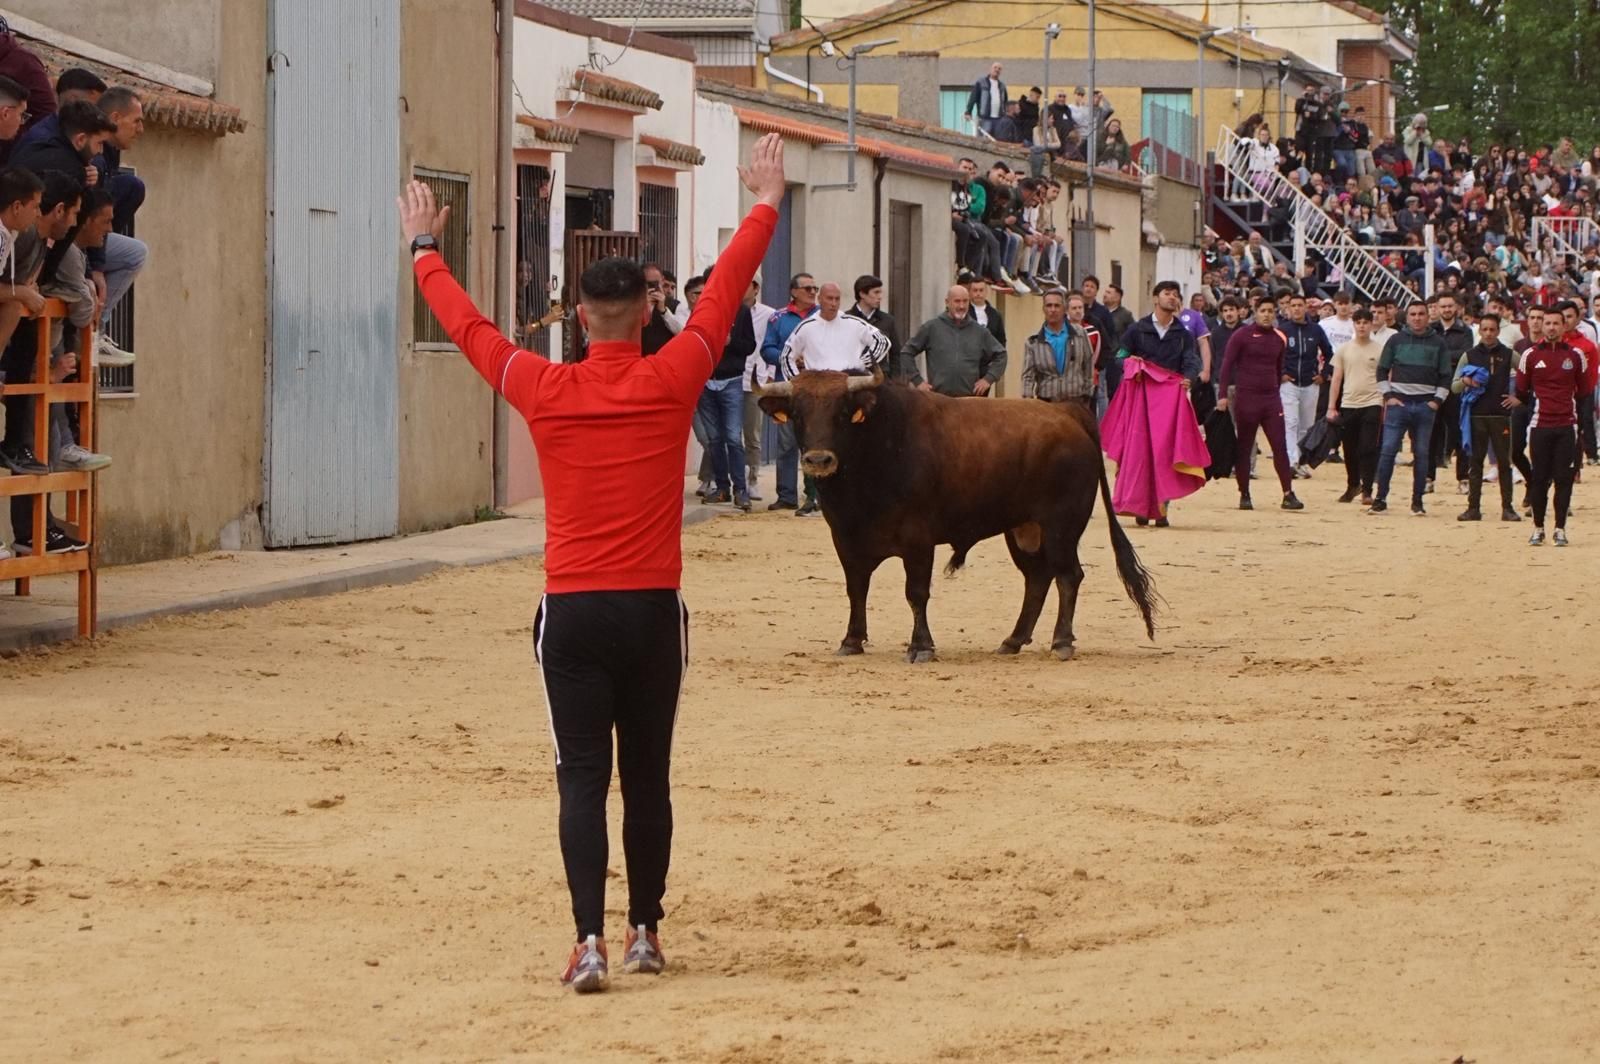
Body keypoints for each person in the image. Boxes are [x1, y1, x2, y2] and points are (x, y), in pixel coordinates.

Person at [399, 132, 786, 994]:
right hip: (652, 609)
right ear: (646, 314)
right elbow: (722, 299)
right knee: (648, 778)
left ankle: (588, 942)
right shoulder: (674, 374)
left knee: (582, 778)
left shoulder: (544, 385)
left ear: (579, 317)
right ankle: (645, 929)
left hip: (572, 612)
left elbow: (467, 329)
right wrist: (762, 201)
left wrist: (425, 248)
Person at [1115, 280, 1202, 526]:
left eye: (1176, 295)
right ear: (1156, 298)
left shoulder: (1183, 335)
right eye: (1167, 293)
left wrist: (1188, 378)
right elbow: (1119, 356)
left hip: (1168, 401)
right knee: (1140, 450)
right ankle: (1143, 505)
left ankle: (1161, 505)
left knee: (1164, 452)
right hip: (1141, 399)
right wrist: (1130, 364)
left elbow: (1192, 361)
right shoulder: (1137, 329)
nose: (1172, 298)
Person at [1217, 295, 1304, 511]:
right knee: (1245, 446)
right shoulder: (1241, 336)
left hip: (1271, 398)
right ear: (1255, 313)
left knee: (1279, 446)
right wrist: (1222, 396)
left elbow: (1278, 367)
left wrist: (1275, 390)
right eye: (1263, 311)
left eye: (1270, 311)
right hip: (1246, 397)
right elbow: (1227, 366)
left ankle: (1288, 493)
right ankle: (1244, 493)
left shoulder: (1278, 338)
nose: (1266, 315)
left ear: (1275, 313)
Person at [1371, 300, 1453, 516]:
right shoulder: (1395, 340)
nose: (1417, 318)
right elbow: (1381, 370)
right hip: (1399, 404)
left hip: (1425, 406)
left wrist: (1436, 401)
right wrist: (1388, 396)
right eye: (1413, 314)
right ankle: (1380, 498)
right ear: (1406, 317)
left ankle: (1417, 501)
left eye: (1421, 314)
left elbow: (1446, 376)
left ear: (1428, 316)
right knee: (1388, 450)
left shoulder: (1438, 343)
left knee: (1422, 453)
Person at [1517, 311, 1585, 545]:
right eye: (1548, 323)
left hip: (1567, 425)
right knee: (1539, 478)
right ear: (1541, 326)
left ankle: (1560, 528)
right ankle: (1538, 528)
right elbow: (1522, 390)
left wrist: (1582, 427)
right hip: (1540, 425)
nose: (1552, 327)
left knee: (1563, 478)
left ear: (1564, 326)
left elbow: (1584, 391)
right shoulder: (1531, 355)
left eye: (1556, 323)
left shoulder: (1576, 356)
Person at [1451, 312, 1520, 522]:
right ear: (1479, 331)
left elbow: (1528, 376)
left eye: (1492, 329)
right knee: (1476, 462)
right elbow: (1454, 387)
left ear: (1499, 331)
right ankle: (1473, 508)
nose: (1488, 333)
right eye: (1485, 329)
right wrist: (1466, 382)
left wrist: (1518, 397)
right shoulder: (1469, 355)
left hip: (1501, 415)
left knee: (1504, 464)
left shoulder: (1509, 354)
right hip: (1477, 415)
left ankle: (1507, 508)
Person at [760, 273, 819, 512]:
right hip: (788, 389)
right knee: (786, 444)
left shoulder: (823, 318)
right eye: (807, 289)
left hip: (816, 391)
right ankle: (786, 495)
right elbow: (767, 349)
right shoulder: (778, 318)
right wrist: (791, 359)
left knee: (814, 443)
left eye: (814, 288)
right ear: (793, 292)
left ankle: (814, 496)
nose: (812, 292)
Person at [697, 267, 755, 512]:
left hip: (731, 378)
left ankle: (741, 490)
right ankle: (721, 487)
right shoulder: (701, 312)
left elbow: (750, 345)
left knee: (733, 437)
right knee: (714, 439)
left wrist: (731, 342)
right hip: (706, 379)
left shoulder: (740, 311)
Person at [901, 284, 1006, 398]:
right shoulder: (931, 328)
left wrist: (988, 379)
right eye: (957, 301)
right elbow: (906, 352)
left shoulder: (979, 331)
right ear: (947, 302)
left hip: (968, 401)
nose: (961, 306)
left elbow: (1001, 354)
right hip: (938, 400)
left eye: (965, 301)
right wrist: (918, 381)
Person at [1326, 308, 1385, 505]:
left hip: (1373, 402)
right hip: (1349, 403)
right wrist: (1331, 406)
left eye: (1365, 322)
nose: (1362, 326)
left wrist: (1385, 400)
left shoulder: (1379, 349)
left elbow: (1386, 377)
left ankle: (1367, 489)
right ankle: (1353, 484)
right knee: (1349, 448)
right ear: (1354, 325)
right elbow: (1336, 379)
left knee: (1368, 447)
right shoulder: (1343, 349)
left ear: (1371, 324)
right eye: (1358, 322)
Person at [778, 280, 891, 380]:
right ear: (819, 299)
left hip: (850, 385)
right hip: (820, 387)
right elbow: (786, 356)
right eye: (829, 298)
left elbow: (882, 341)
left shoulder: (854, 323)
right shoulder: (806, 327)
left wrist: (864, 362)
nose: (834, 303)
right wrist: (798, 383)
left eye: (837, 299)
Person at [1277, 293, 1334, 476]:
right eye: (1293, 305)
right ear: (1288, 308)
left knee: (1306, 425)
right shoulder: (1283, 330)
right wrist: (1281, 373)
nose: (1296, 309)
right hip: (1289, 383)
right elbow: (1274, 354)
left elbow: (1330, 353)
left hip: (1310, 383)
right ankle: (1291, 461)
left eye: (1299, 305)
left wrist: (1323, 375)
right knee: (1290, 422)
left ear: (1305, 308)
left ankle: (1301, 461)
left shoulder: (1315, 330)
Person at [1020, 288, 1094, 404]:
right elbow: (1028, 377)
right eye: (1049, 306)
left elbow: (1088, 365)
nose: (1052, 310)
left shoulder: (1080, 334)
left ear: (1064, 309)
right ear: (1043, 309)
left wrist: (1087, 395)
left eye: (1057, 306)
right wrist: (1028, 403)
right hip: (1047, 404)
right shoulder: (1033, 342)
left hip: (1075, 402)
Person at [741, 277, 775, 500]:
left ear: (756, 288)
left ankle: (752, 478)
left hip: (756, 380)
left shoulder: (770, 314)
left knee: (752, 434)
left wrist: (770, 375)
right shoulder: (729, 311)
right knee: (728, 435)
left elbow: (773, 343)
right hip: (733, 377)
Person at [844, 273, 900, 375]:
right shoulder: (846, 319)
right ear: (862, 294)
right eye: (876, 292)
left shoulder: (888, 320)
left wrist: (895, 381)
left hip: (882, 381)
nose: (880, 297)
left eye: (880, 292)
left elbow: (896, 355)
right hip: (853, 378)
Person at [639, 262, 681, 355]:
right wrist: (644, 307)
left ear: (662, 280)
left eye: (656, 283)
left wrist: (664, 311)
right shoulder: (633, 303)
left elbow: (682, 332)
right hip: (639, 360)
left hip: (664, 360)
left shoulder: (676, 305)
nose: (653, 287)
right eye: (649, 283)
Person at [964, 62, 1007, 138]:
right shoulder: (981, 82)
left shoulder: (1002, 86)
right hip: (984, 118)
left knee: (996, 141)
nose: (997, 70)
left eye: (999, 69)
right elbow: (973, 97)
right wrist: (968, 111)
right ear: (990, 69)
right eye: (995, 67)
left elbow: (1005, 101)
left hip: (999, 119)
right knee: (982, 141)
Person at [965, 274, 1005, 347]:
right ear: (969, 292)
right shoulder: (964, 313)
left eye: (981, 290)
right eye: (975, 290)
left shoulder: (995, 315)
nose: (978, 294)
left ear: (986, 292)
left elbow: (1001, 341)